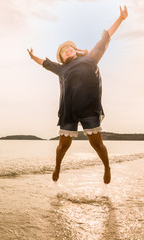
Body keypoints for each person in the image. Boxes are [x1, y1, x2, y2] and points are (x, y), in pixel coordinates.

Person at [27, 6, 128, 184]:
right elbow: (45, 63)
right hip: (69, 111)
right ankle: (57, 166)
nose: (67, 50)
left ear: (75, 50)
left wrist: (120, 18)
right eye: (63, 50)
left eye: (70, 48)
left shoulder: (91, 58)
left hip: (89, 108)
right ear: (61, 57)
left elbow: (105, 38)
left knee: (97, 144)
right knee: (62, 147)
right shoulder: (61, 69)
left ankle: (107, 167)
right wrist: (32, 57)